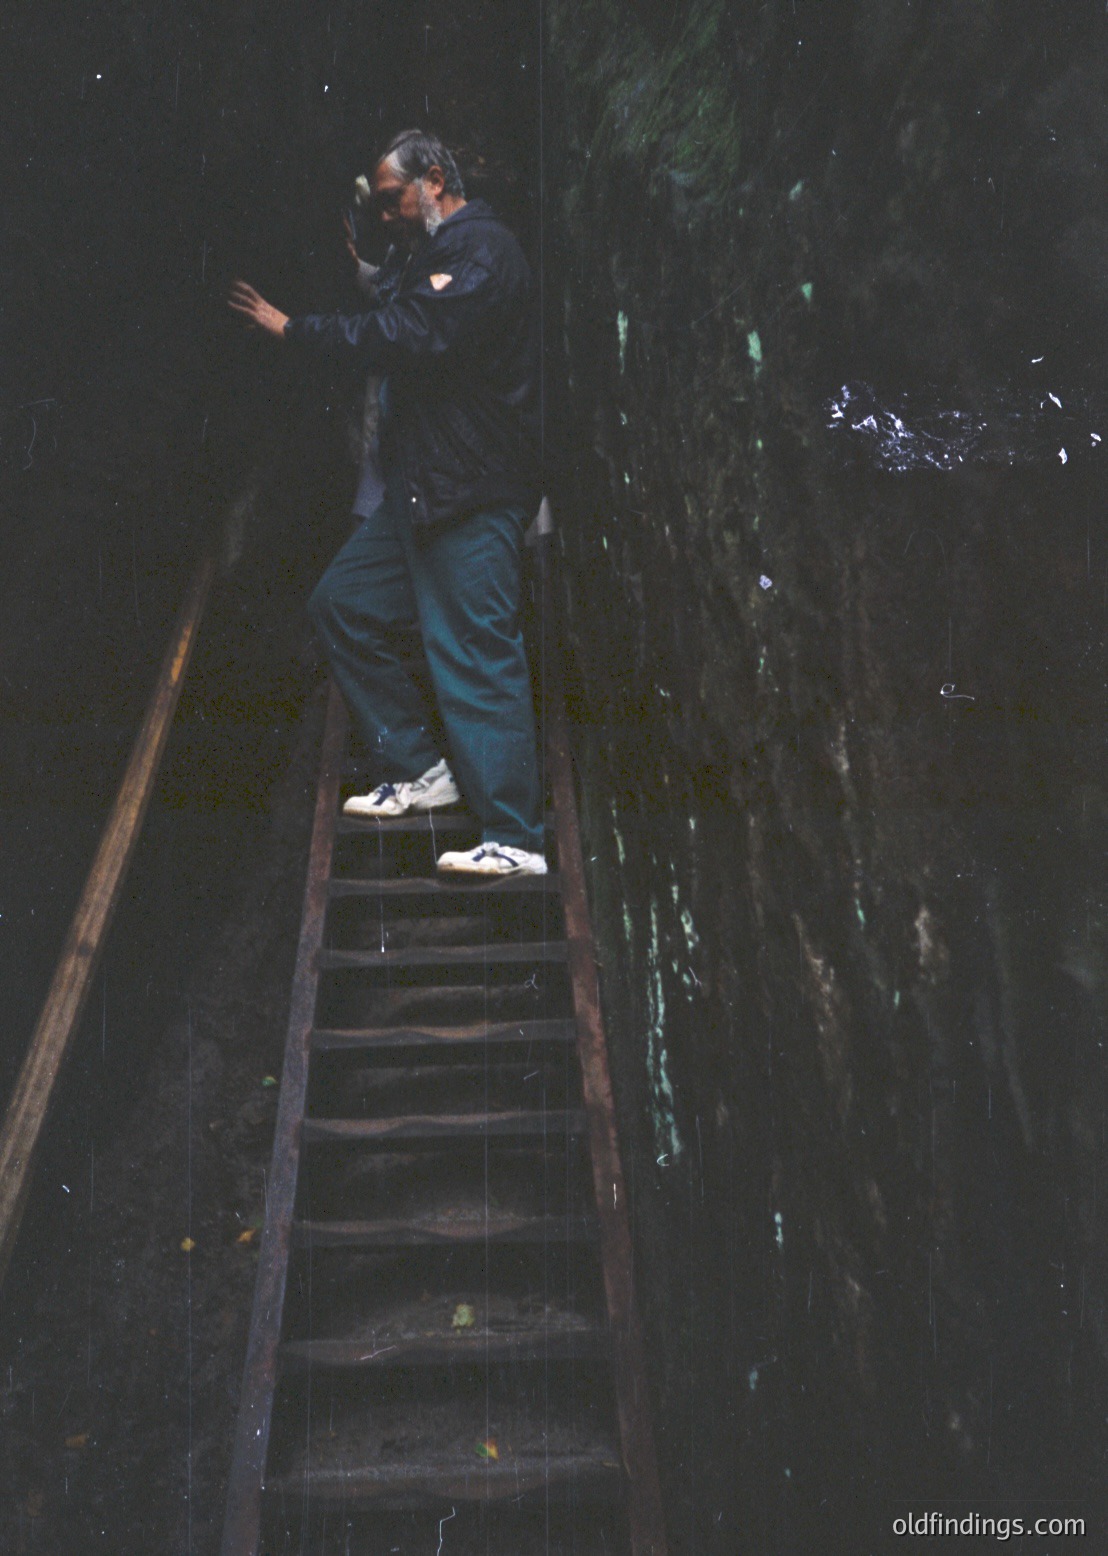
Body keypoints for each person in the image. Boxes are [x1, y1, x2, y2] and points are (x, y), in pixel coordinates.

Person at [229, 129, 546, 877]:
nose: (388, 215)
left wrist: (291, 327)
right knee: (341, 604)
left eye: (396, 200)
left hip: (471, 491)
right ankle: (419, 768)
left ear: (435, 180)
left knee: (475, 653)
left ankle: (516, 837)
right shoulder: (431, 258)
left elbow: (411, 333)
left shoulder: (482, 249)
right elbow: (399, 306)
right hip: (424, 494)